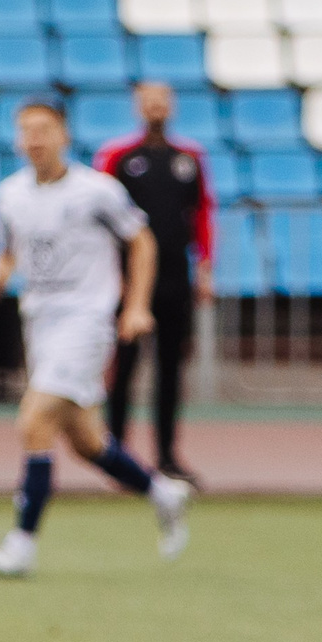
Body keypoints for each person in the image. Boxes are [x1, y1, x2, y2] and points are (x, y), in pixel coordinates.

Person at [0, 99, 187, 579]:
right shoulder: (10, 194)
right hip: (40, 321)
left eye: (44, 129)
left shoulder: (97, 192)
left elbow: (142, 241)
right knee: (86, 442)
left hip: (86, 320)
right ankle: (161, 491)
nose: (34, 139)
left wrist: (135, 306)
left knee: (35, 418)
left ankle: (21, 544)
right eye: (26, 131)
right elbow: (8, 253)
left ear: (64, 135)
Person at [96, 83, 215, 483]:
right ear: (137, 107)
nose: (156, 107)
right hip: (127, 282)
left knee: (169, 370)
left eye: (162, 100)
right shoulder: (117, 157)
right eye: (149, 101)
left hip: (174, 279)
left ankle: (166, 456)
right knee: (124, 367)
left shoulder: (190, 158)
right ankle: (115, 454)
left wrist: (205, 267)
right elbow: (100, 217)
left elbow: (201, 215)